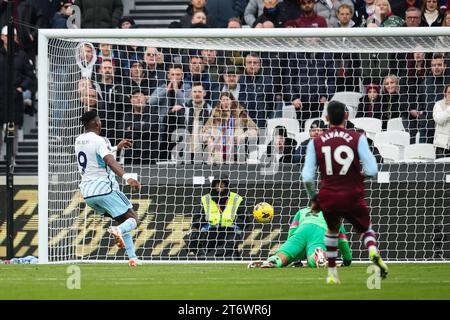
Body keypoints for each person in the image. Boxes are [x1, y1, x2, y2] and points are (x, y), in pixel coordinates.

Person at [302, 100, 388, 284]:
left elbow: (307, 177)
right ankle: (372, 251)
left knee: (332, 231)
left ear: (326, 119)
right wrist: (358, 177)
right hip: (353, 194)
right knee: (365, 230)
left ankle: (332, 273)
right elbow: (373, 170)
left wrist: (314, 198)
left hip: (329, 195)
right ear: (346, 117)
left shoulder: (316, 142)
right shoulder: (358, 138)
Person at [74, 111, 141, 267]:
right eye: (99, 120)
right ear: (96, 123)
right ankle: (117, 231)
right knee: (133, 219)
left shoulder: (79, 140)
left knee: (123, 220)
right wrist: (127, 177)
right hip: (105, 189)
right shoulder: (99, 140)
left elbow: (96, 156)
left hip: (88, 194)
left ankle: (133, 258)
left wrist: (116, 147)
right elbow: (110, 162)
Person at [248, 206, 352, 268]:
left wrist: (293, 251)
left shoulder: (302, 211)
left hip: (302, 230)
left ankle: (273, 261)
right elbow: (342, 242)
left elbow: (292, 231)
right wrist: (347, 261)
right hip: (321, 233)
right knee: (313, 261)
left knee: (285, 254)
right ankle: (318, 255)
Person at [186, 175, 247, 258]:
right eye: (217, 183)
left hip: (230, 231)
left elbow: (246, 222)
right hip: (210, 231)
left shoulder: (236, 198)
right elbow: (196, 221)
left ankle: (209, 257)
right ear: (213, 185)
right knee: (191, 235)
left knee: (227, 248)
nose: (220, 186)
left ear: (227, 185)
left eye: (222, 184)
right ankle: (203, 256)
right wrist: (204, 219)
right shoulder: (205, 199)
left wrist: (234, 220)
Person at [433, 84, 450, 158]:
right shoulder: (438, 104)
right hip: (442, 143)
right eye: (449, 92)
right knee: (441, 167)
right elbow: (438, 119)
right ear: (445, 93)